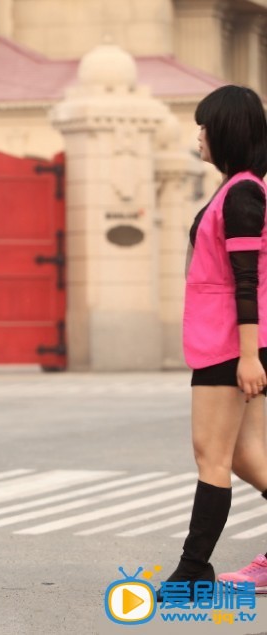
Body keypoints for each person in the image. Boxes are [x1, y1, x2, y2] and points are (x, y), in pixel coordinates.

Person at [158, 85, 267, 599]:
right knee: (247, 458)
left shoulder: (244, 193)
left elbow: (248, 280)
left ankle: (193, 568)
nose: (197, 135)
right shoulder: (236, 189)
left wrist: (248, 356)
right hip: (228, 344)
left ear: (225, 130)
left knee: (212, 457)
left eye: (203, 126)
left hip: (231, 346)